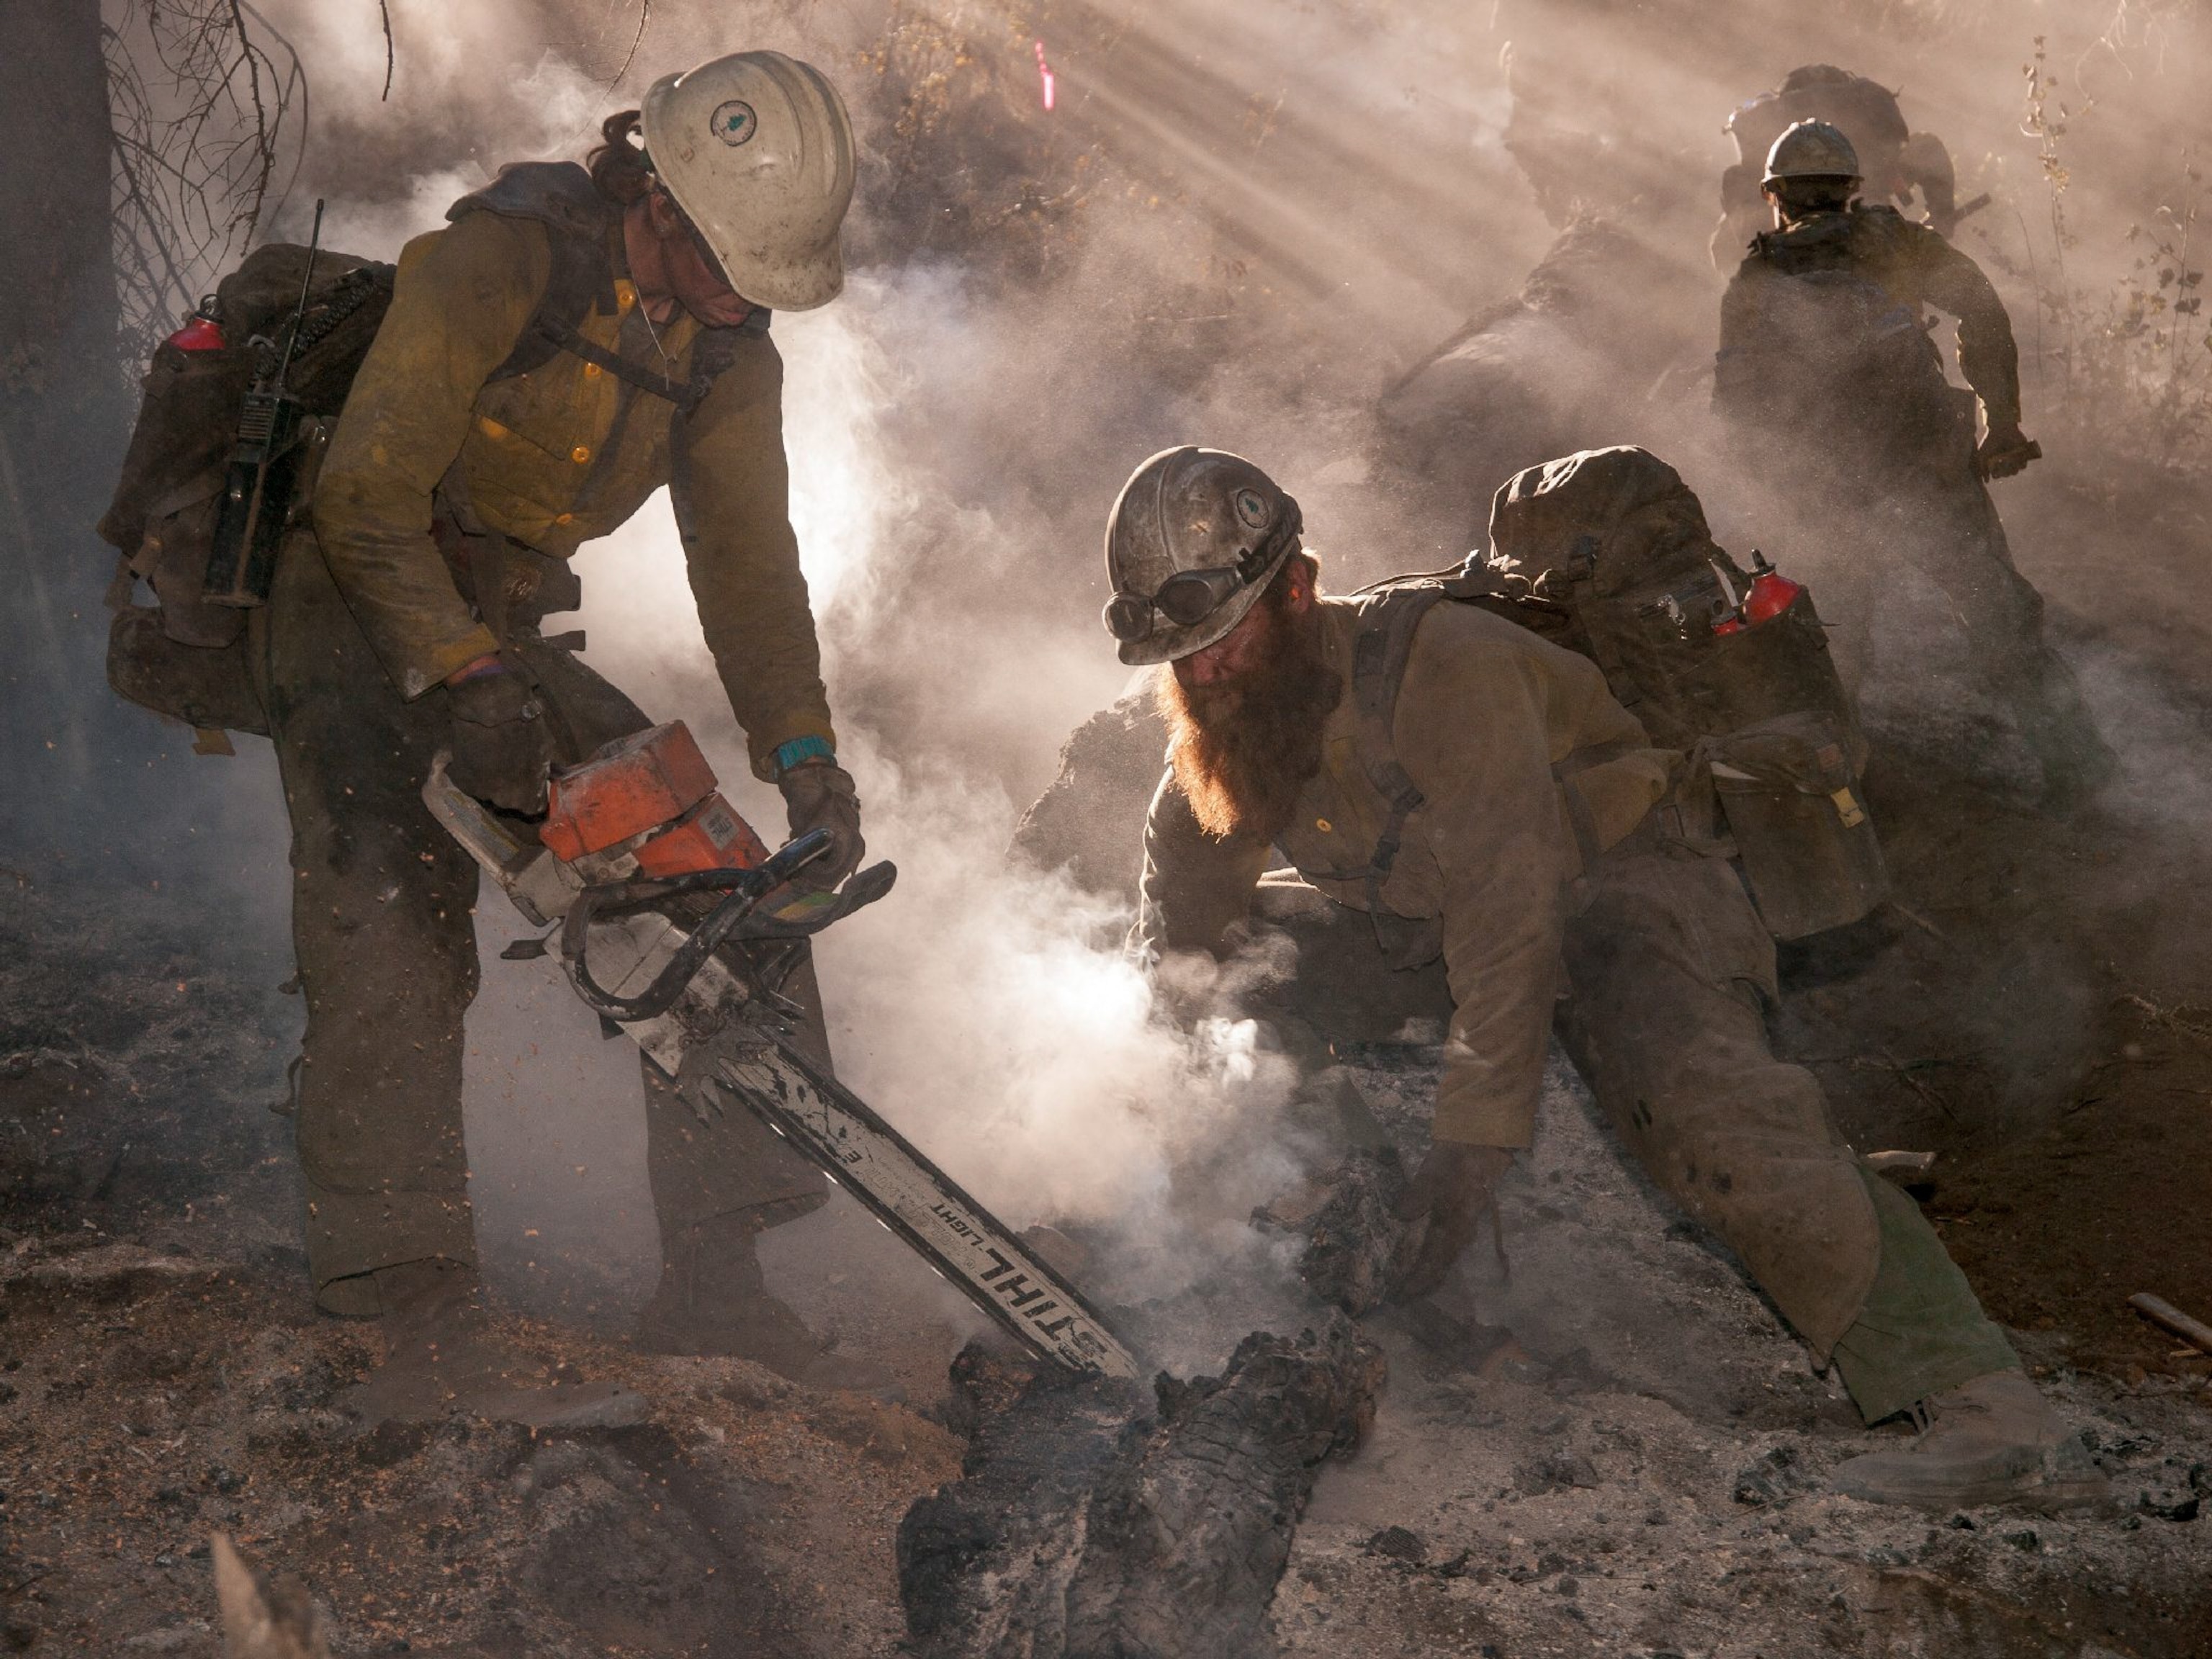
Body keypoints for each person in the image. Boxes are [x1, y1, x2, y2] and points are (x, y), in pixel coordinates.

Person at [1106, 444, 2107, 1511]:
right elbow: (1179, 943)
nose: (1205, 674)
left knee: (1703, 1111)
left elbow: (1512, 913)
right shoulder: (1229, 726)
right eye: (1183, 655)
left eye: (1225, 638)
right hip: (1450, 911)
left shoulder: (1446, 668)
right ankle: (1369, 1242)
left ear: (1297, 589)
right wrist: (1141, 1144)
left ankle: (1985, 1402)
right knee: (1248, 989)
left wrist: (1467, 1161)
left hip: (1629, 881)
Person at [269, 51, 873, 1419]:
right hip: (351, 585)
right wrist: (458, 675)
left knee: (716, 887)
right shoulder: (501, 265)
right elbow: (363, 496)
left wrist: (801, 752)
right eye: (728, 263)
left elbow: (747, 564)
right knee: (392, 914)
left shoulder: (724, 348)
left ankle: (715, 1278)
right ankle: (401, 1299)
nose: (743, 299)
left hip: (497, 620)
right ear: (654, 191)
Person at [1714, 119, 2113, 805]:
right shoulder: (1897, 242)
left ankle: (1838, 798)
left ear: (1775, 195)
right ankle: (2079, 768)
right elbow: (1983, 310)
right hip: (1925, 464)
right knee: (1999, 617)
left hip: (1829, 481)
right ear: (1852, 189)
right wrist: (2002, 421)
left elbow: (1737, 403)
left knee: (1832, 640)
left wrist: (1774, 487)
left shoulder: (1756, 275)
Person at [1712, 66, 1960, 271]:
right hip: (1876, 231)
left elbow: (1724, 249)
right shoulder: (1874, 148)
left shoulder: (1771, 157)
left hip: (1796, 256)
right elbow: (1929, 151)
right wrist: (1942, 221)